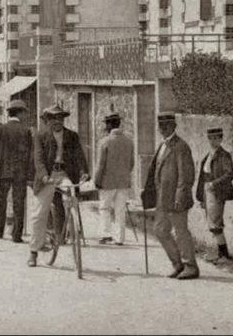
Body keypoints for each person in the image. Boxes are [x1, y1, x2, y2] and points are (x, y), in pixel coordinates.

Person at [27, 104, 89, 268]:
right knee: (39, 213)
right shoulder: (41, 136)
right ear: (47, 120)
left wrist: (83, 171)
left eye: (60, 118)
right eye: (53, 118)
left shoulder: (72, 136)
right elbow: (38, 160)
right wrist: (44, 176)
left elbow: (79, 156)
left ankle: (70, 229)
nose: (57, 121)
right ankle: (33, 252)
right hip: (47, 177)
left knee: (71, 200)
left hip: (64, 175)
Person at [143, 111, 199, 280]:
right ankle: (178, 264)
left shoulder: (181, 146)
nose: (162, 129)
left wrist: (180, 197)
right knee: (160, 230)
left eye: (166, 126)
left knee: (181, 231)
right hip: (162, 199)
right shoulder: (162, 145)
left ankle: (191, 267)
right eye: (160, 126)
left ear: (173, 126)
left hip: (176, 198)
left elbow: (186, 175)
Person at [0, 100, 34, 243]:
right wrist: (30, 175)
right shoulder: (26, 131)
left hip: (3, 172)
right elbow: (30, 155)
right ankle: (16, 235)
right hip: (20, 173)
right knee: (19, 203)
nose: (25, 115)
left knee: (1, 202)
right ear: (19, 113)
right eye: (24, 112)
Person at [196, 127, 233, 264]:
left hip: (217, 192)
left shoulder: (224, 155)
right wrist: (202, 197)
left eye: (216, 138)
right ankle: (221, 254)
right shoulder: (209, 155)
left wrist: (214, 183)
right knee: (212, 223)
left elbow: (230, 174)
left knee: (215, 224)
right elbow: (203, 176)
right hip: (207, 190)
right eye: (211, 138)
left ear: (221, 139)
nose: (213, 141)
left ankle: (224, 255)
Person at [93, 113, 135, 245]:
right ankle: (120, 238)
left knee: (105, 208)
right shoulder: (129, 141)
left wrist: (97, 181)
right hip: (123, 182)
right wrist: (124, 174)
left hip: (107, 182)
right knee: (120, 211)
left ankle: (105, 234)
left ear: (110, 125)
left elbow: (101, 165)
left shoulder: (104, 142)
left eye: (106, 124)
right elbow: (131, 163)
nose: (105, 126)